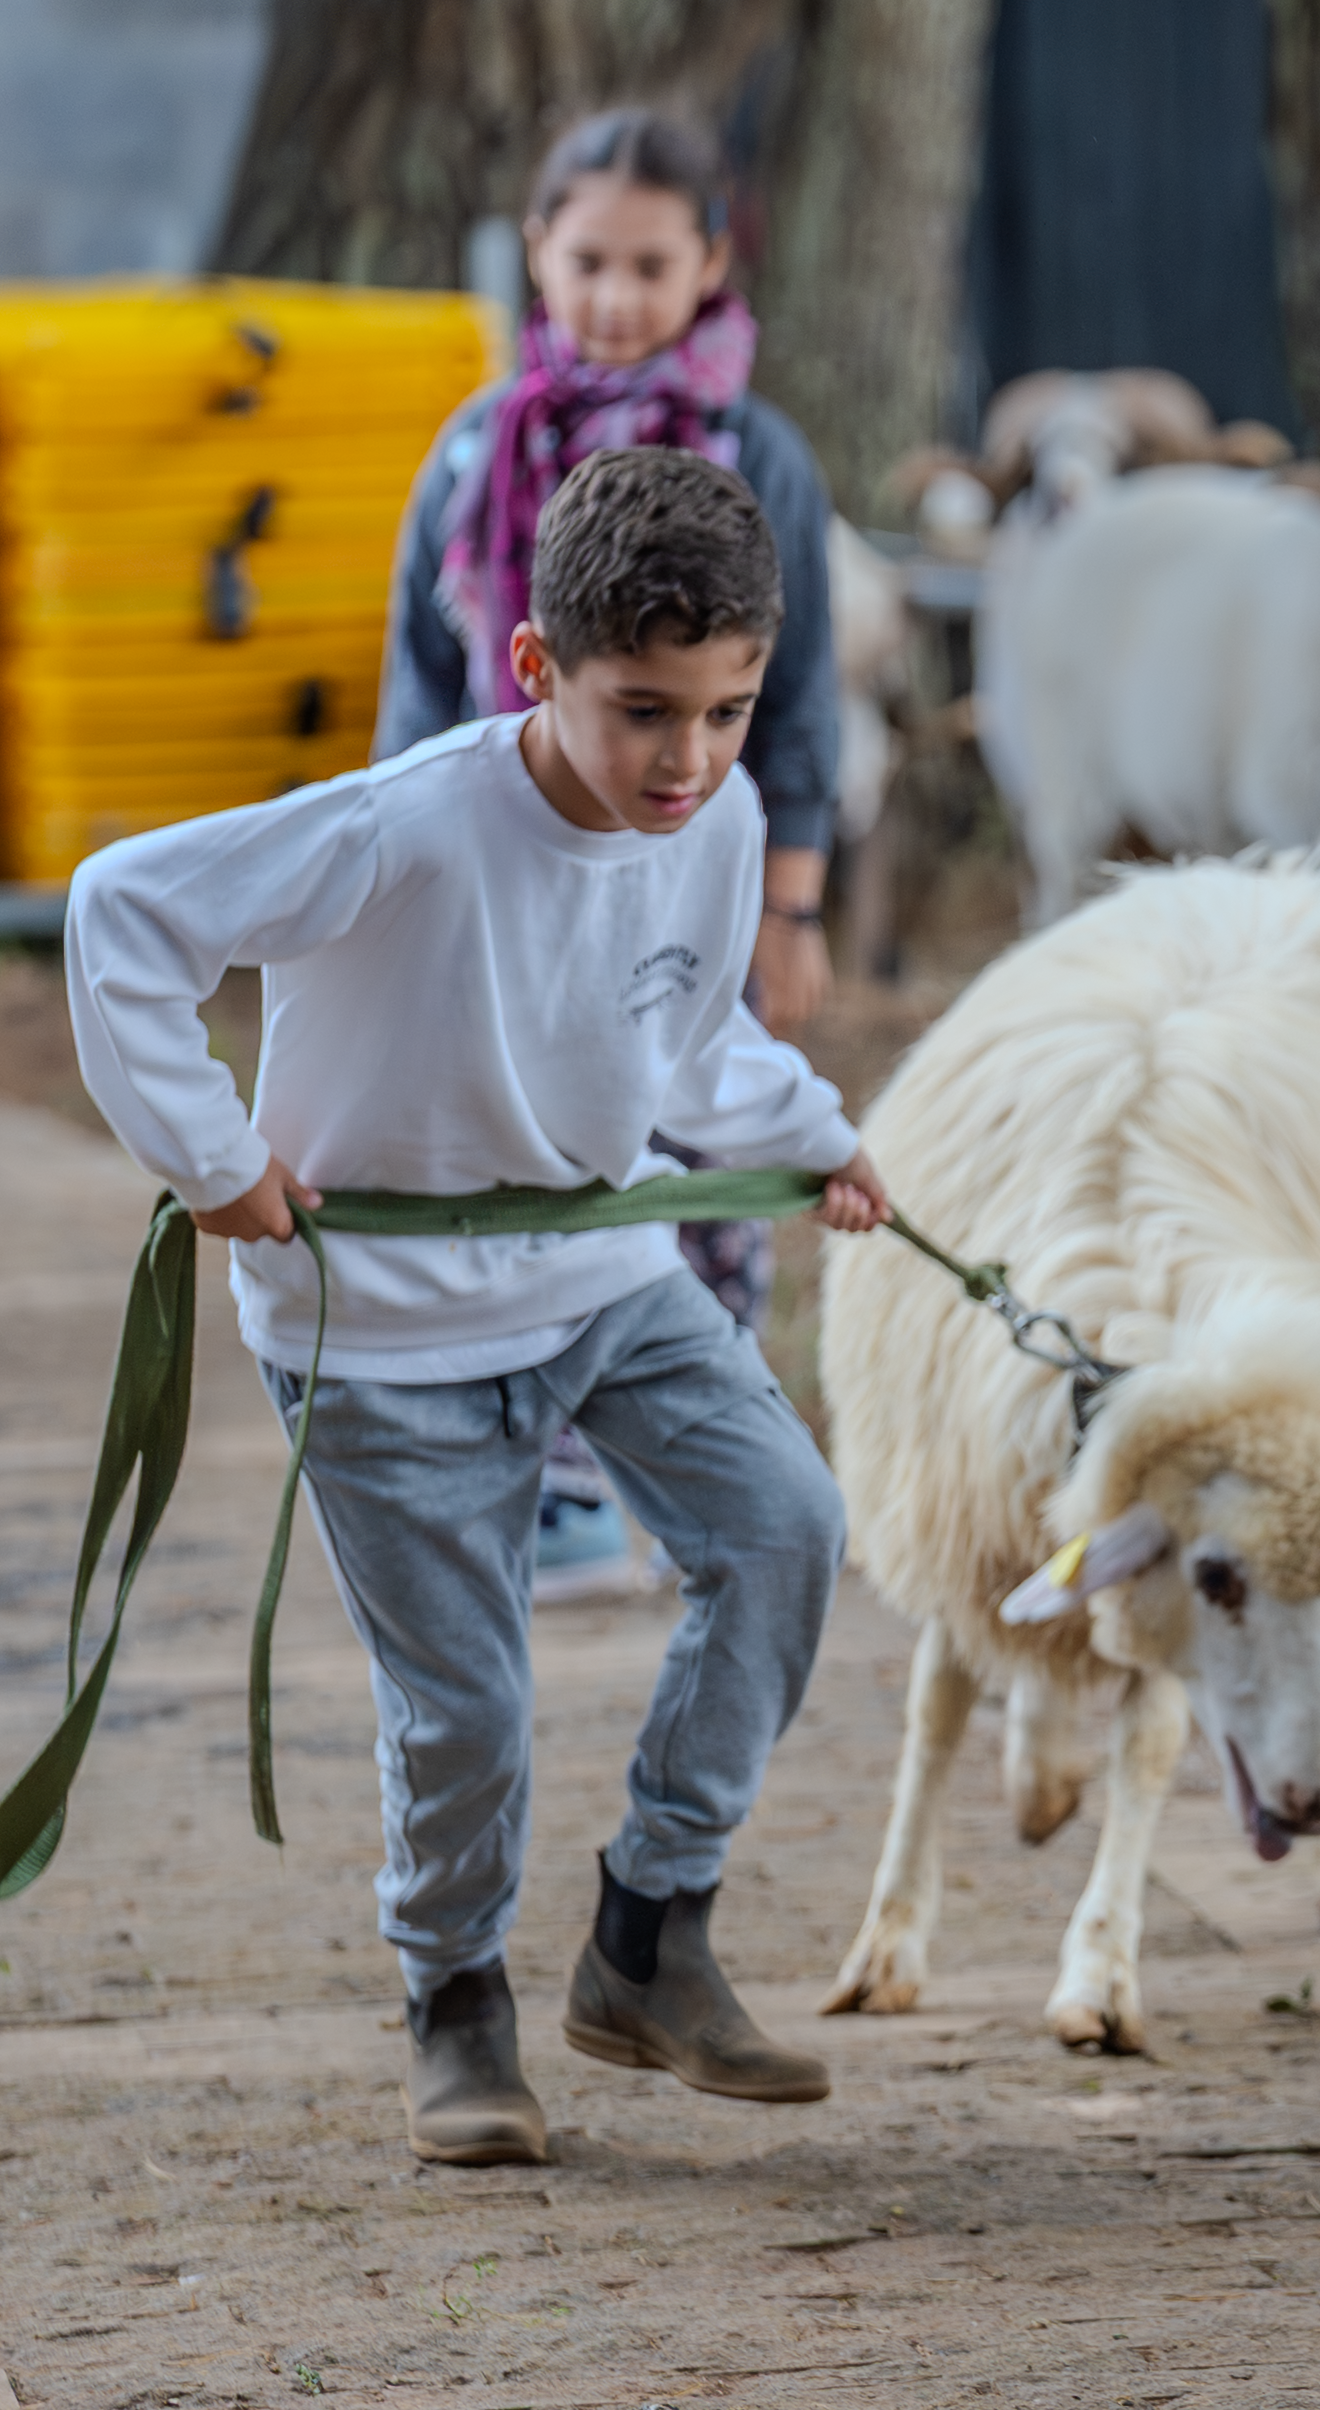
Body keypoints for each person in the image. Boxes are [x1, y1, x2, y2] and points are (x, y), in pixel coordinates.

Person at [68, 446, 887, 2168]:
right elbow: (122, 911)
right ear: (534, 667)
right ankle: (456, 1998)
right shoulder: (408, 823)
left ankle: (650, 1931)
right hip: (377, 1319)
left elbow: (682, 1033)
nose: (690, 759)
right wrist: (212, 1157)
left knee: (789, 1524)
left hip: (598, 1274)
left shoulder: (719, 821)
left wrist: (817, 1142)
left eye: (730, 710)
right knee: (472, 1703)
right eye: (643, 709)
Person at [373, 107, 843, 1598]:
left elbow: (806, 685)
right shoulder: (475, 451)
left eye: (653, 264)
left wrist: (792, 900)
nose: (619, 296)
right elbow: (415, 682)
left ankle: (705, 1463)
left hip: (693, 876)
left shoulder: (762, 456)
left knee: (698, 1154)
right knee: (530, 1163)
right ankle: (553, 1491)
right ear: (537, 254)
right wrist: (398, 882)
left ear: (711, 260)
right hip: (506, 890)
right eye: (589, 261)